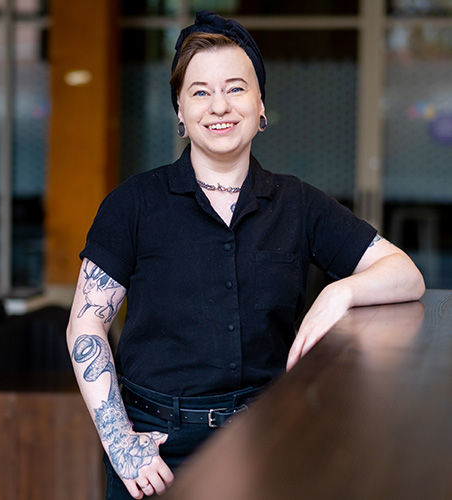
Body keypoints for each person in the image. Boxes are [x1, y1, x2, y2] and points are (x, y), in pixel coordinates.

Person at [66, 11, 425, 500]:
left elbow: (406, 273)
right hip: (156, 449)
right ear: (179, 110)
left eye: (236, 88)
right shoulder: (133, 204)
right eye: (200, 91)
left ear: (261, 106)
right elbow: (86, 324)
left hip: (266, 435)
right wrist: (119, 439)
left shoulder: (297, 203)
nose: (219, 106)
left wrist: (340, 292)